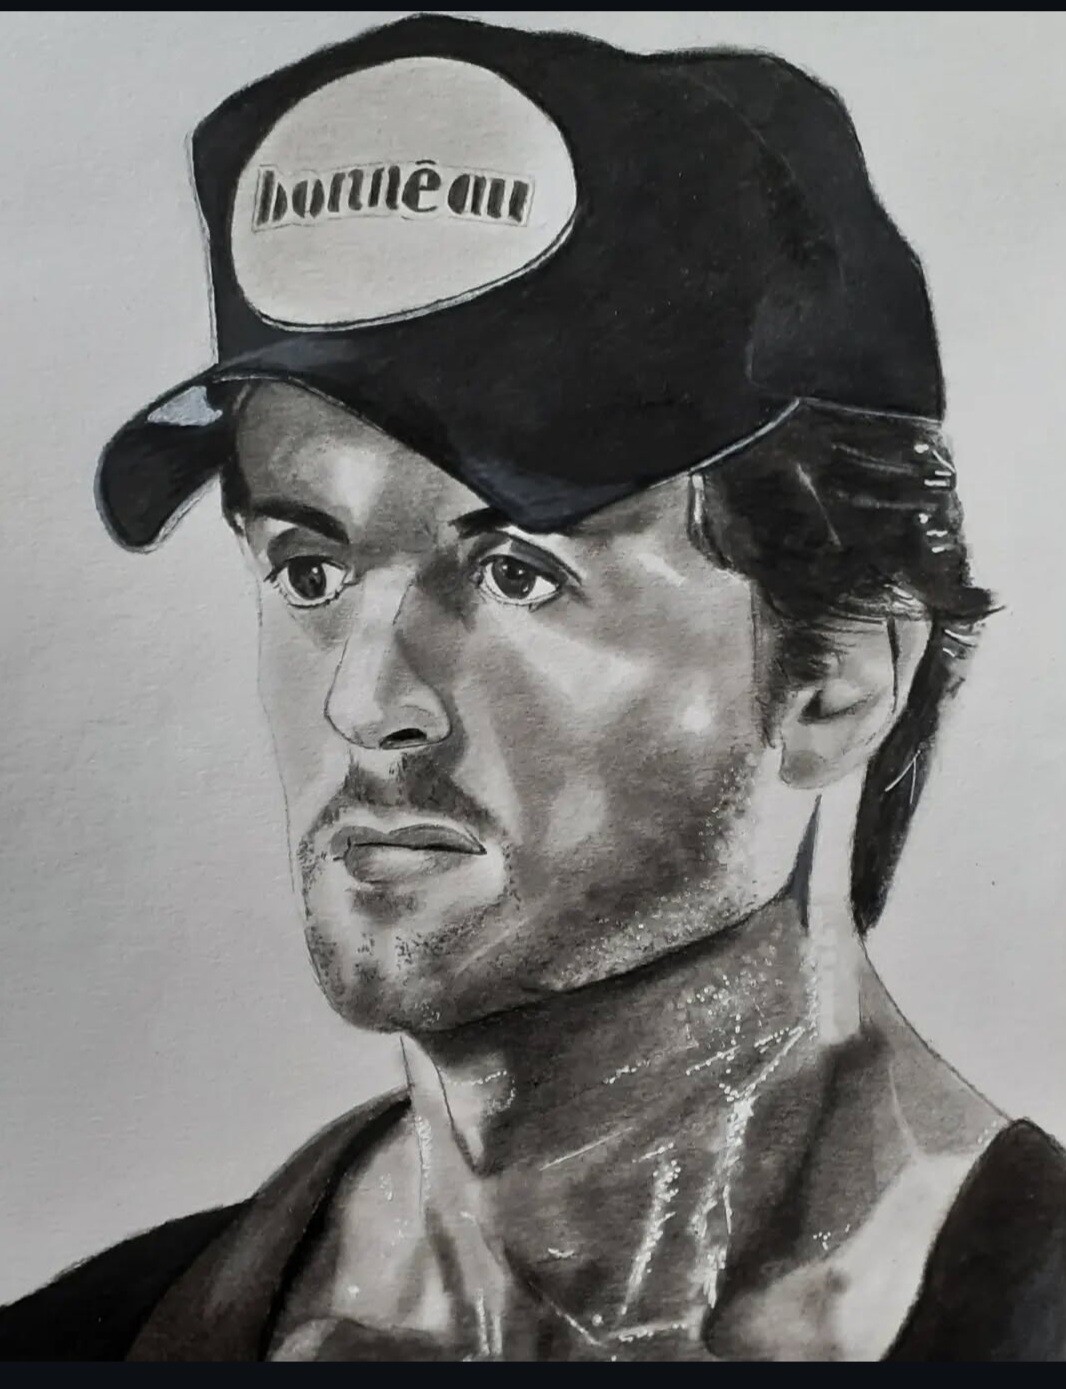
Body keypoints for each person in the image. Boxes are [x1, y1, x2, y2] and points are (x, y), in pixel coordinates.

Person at [1, 12, 1064, 1363]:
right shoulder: (93, 1341)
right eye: (311, 570)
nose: (365, 702)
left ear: (838, 679)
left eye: (515, 572)